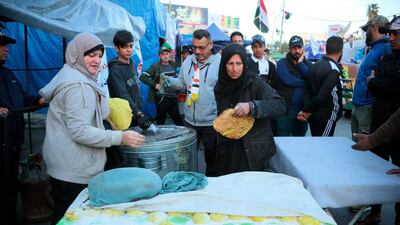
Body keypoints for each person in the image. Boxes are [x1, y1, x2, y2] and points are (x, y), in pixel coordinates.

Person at [39, 32, 145, 224]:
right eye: (90, 55)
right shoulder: (78, 86)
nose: (96, 60)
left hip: (64, 164)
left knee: (65, 215)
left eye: (99, 55)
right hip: (72, 169)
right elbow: (79, 131)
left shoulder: (75, 74)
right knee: (71, 217)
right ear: (77, 54)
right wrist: (120, 137)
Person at [214, 44, 286, 176]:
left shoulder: (255, 82)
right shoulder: (220, 86)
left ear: (244, 63)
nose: (235, 69)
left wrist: (252, 107)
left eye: (239, 63)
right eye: (230, 64)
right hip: (228, 149)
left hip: (252, 149)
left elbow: (280, 105)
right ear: (223, 65)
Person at [356, 15, 400, 225]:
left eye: (395, 33)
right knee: (375, 169)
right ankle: (375, 212)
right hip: (381, 120)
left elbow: (389, 85)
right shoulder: (387, 56)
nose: (390, 37)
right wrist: (377, 83)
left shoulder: (382, 52)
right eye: (389, 32)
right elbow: (376, 82)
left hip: (396, 129)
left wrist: (377, 83)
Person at [0, 23, 46, 225]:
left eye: (6, 45)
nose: (6, 48)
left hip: (12, 146)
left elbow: (22, 100)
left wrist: (39, 101)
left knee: (10, 191)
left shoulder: (7, 74)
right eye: (1, 45)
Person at [164, 29, 221, 177]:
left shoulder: (220, 63)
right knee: (186, 159)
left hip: (211, 122)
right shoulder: (188, 61)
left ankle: (211, 191)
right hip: (189, 121)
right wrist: (169, 81)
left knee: (212, 161)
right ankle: (189, 186)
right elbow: (183, 84)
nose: (197, 51)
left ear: (210, 45)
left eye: (201, 47)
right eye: (194, 47)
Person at [351, 15, 390, 140]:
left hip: (367, 108)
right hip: (359, 105)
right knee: (356, 146)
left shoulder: (386, 48)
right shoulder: (373, 48)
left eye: (367, 29)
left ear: (373, 27)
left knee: (364, 151)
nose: (365, 33)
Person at [298, 36, 343, 136]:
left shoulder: (316, 64)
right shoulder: (333, 68)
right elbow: (322, 96)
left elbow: (307, 90)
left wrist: (308, 110)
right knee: (324, 145)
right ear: (341, 50)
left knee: (318, 144)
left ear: (326, 48)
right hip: (326, 115)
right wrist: (308, 111)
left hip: (314, 114)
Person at [107, 30, 151, 130]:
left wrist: (138, 110)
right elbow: (122, 94)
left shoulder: (132, 63)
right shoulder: (115, 69)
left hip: (135, 112)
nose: (129, 50)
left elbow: (135, 88)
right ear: (117, 48)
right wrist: (138, 113)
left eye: (131, 46)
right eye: (124, 47)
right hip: (123, 114)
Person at [274, 35, 312, 136]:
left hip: (303, 111)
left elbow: (312, 79)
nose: (297, 50)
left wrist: (300, 64)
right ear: (289, 49)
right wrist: (306, 83)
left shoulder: (308, 64)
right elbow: (287, 80)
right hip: (285, 111)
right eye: (294, 48)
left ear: (303, 49)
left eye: (299, 48)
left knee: (299, 144)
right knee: (282, 142)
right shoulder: (282, 63)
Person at [140, 43, 183, 125]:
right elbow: (143, 77)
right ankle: (161, 137)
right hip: (162, 98)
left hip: (173, 97)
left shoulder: (173, 65)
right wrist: (155, 85)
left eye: (167, 54)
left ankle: (184, 136)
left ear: (170, 54)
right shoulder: (155, 67)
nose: (165, 56)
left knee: (178, 119)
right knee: (161, 120)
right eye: (163, 54)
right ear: (160, 56)